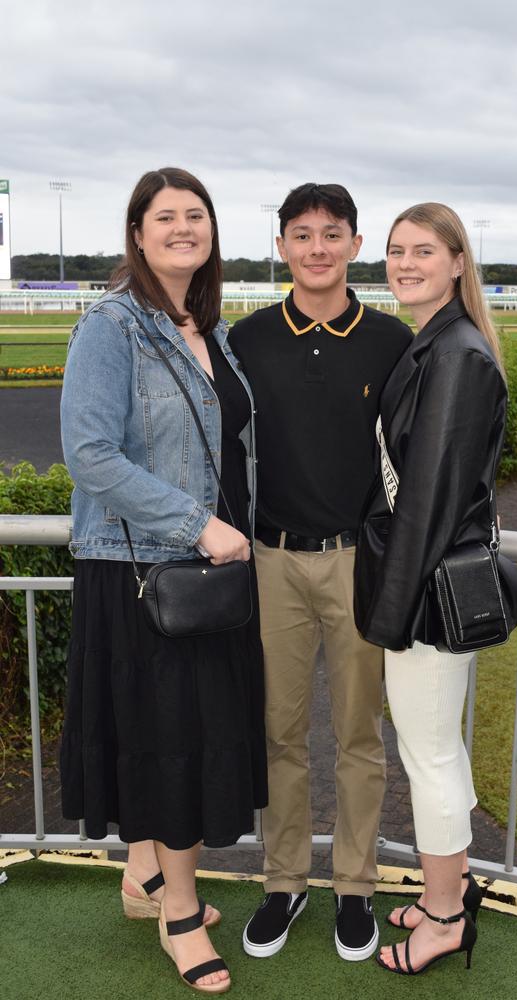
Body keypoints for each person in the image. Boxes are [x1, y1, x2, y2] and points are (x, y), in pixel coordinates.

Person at [60, 167, 267, 994]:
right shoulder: (112, 325)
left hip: (204, 579)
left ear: (211, 232)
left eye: (197, 215)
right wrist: (199, 525)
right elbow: (89, 454)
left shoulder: (206, 327)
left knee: (163, 740)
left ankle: (143, 876)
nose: (184, 227)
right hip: (146, 573)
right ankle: (181, 914)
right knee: (175, 747)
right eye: (166, 217)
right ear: (138, 234)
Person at [228, 183, 412, 962]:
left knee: (360, 737)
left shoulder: (392, 340)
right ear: (280, 247)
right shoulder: (246, 337)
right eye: (301, 235)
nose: (316, 248)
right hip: (269, 560)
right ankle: (284, 882)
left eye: (331, 233)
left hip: (355, 564)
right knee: (280, 734)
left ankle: (356, 888)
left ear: (355, 243)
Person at [354, 202, 508, 976]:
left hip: (425, 597)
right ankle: (450, 889)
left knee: (430, 758)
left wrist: (390, 614)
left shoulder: (456, 355)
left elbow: (427, 503)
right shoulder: (440, 342)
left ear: (456, 261)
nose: (404, 263)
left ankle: (445, 916)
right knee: (436, 747)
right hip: (426, 585)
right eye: (394, 251)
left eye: (422, 250)